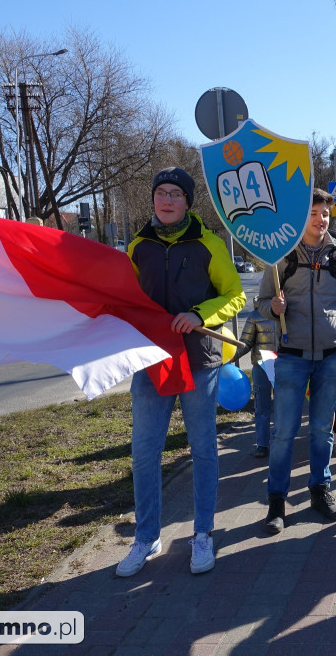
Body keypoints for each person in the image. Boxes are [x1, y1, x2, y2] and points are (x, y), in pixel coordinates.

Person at [117, 167, 247, 577]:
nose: (167, 200)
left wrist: (198, 314)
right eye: (161, 193)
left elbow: (236, 295)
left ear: (188, 202)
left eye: (176, 193)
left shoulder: (208, 244)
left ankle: (203, 534)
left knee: (204, 449)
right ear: (153, 199)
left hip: (199, 359)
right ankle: (146, 538)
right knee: (143, 452)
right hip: (151, 360)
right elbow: (124, 298)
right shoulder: (138, 247)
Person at [256, 188, 336, 534]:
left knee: (321, 431)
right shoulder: (282, 258)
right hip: (291, 358)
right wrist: (273, 308)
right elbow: (261, 303)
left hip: (332, 359)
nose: (321, 220)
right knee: (284, 433)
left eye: (325, 214)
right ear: (301, 218)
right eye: (314, 214)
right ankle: (276, 501)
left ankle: (320, 489)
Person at [237, 310, 276, 458]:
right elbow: (245, 342)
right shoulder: (255, 314)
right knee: (261, 407)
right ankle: (262, 444)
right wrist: (229, 357)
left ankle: (281, 442)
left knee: (283, 408)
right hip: (261, 366)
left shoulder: (290, 307)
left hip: (285, 366)